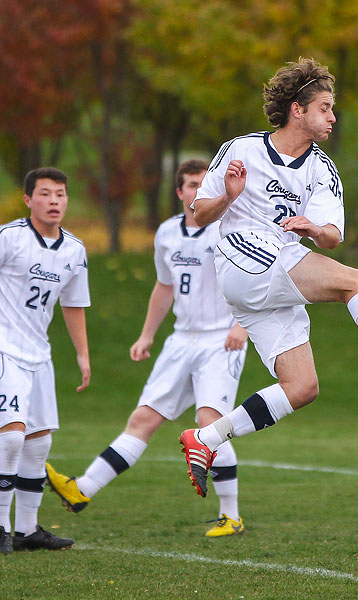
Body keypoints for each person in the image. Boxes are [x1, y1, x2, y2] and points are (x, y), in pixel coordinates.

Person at [178, 57, 358, 498]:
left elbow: (332, 236)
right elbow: (198, 215)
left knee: (302, 387)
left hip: (270, 274)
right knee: (356, 281)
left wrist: (314, 229)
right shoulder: (241, 149)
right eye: (325, 107)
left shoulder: (321, 168)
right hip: (243, 261)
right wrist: (229, 195)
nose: (333, 117)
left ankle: (207, 437)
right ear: (298, 109)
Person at [45, 160, 249, 537]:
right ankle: (81, 490)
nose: (195, 190)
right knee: (142, 420)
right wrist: (147, 335)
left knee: (210, 425)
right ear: (179, 192)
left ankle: (231, 516)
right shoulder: (168, 232)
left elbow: (252, 278)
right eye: (190, 184)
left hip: (221, 340)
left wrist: (242, 325)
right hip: (181, 339)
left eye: (203, 184)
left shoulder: (227, 228)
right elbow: (164, 286)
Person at [0, 167, 90, 552]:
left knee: (38, 444)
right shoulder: (9, 237)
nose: (54, 201)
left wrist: (83, 355)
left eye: (61, 194)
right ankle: (1, 526)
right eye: (46, 194)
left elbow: (73, 305)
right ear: (28, 199)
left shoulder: (75, 249)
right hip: (5, 349)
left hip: (41, 354)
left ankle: (27, 531)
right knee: (11, 438)